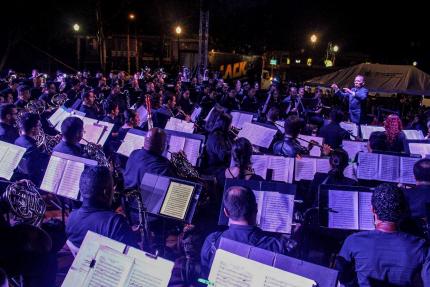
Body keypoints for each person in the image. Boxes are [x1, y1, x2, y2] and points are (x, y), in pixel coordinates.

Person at [335, 183, 430, 286]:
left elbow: (342, 277)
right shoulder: (420, 246)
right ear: (403, 211)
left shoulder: (353, 241)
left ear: (372, 209)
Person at [200, 185, 294, 277]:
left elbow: (206, 274)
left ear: (226, 212)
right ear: (256, 208)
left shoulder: (212, 240)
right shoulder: (277, 246)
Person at [66, 166, 139, 248]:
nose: (114, 190)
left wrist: (126, 231)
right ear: (105, 192)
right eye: (112, 187)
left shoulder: (71, 218)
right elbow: (133, 254)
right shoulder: (114, 223)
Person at [14, 113, 49, 185]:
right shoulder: (31, 147)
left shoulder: (17, 140)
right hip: (31, 182)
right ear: (33, 129)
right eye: (39, 126)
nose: (40, 128)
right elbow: (35, 172)